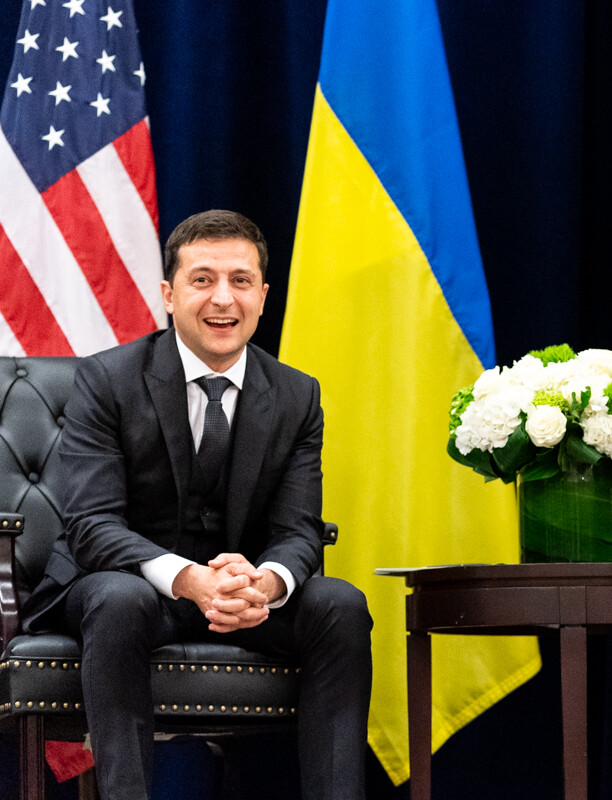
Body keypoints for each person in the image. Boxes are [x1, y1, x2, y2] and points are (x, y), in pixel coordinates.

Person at [21, 209, 373, 800]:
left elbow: (299, 529)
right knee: (119, 598)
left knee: (340, 604)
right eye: (202, 279)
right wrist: (190, 580)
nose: (223, 299)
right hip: (128, 587)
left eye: (241, 281)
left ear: (263, 296)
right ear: (169, 294)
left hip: (241, 599)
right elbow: (92, 524)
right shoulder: (108, 379)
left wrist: (265, 584)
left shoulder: (297, 394)